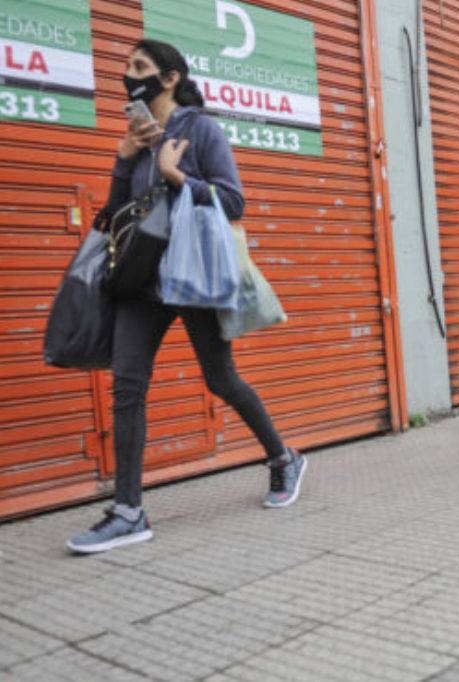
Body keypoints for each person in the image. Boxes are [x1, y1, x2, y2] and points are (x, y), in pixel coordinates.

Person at [67, 40, 306, 554]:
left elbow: (235, 200)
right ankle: (129, 511)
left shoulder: (202, 130)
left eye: (139, 68)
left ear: (169, 78)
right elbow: (114, 216)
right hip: (139, 282)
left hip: (193, 276)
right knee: (127, 386)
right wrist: (122, 159)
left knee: (221, 380)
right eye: (128, 67)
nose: (128, 76)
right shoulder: (134, 138)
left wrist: (180, 177)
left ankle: (284, 458)